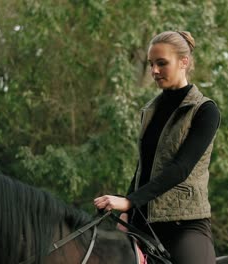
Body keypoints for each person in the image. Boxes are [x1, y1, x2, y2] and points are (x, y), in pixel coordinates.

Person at [94, 30, 220, 264]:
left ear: (184, 62)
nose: (154, 71)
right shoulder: (149, 110)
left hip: (184, 225)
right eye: (151, 64)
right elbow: (144, 168)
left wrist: (130, 201)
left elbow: (180, 168)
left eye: (162, 63)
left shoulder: (205, 111)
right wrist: (127, 210)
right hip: (141, 222)